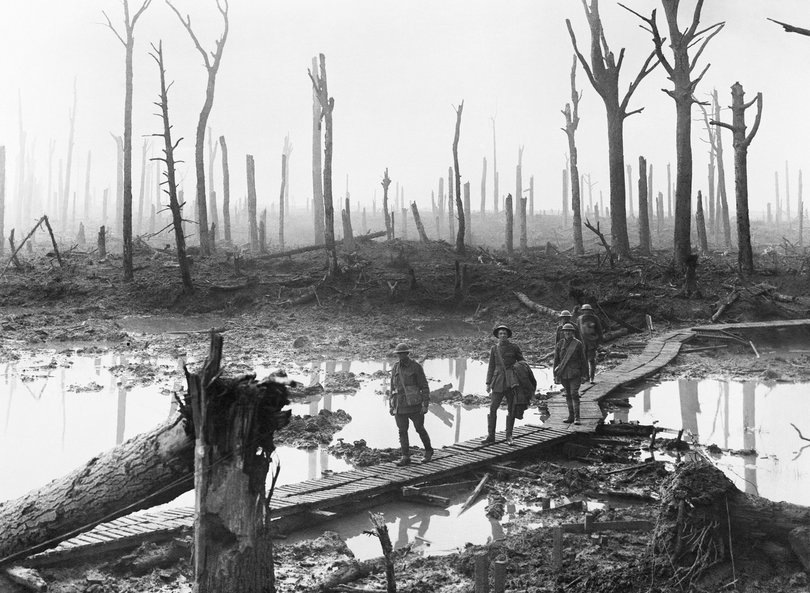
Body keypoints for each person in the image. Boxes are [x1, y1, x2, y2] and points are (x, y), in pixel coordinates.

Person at [389, 343, 433, 465]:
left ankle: (428, 451)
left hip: (414, 405)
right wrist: (391, 405)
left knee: (419, 429)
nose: (400, 356)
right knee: (402, 431)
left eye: (402, 353)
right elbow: (392, 388)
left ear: (407, 354)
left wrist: (425, 405)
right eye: (398, 354)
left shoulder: (416, 367)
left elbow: (424, 386)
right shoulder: (395, 367)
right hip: (399, 405)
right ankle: (405, 456)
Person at [485, 324, 524, 445]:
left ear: (508, 336)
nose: (502, 335)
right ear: (497, 336)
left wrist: (517, 374)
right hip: (497, 382)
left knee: (511, 409)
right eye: (500, 333)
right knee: (492, 408)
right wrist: (488, 383)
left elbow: (522, 363)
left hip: (511, 382)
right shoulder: (494, 349)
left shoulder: (514, 347)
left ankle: (509, 436)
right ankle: (491, 436)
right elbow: (491, 366)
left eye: (505, 334)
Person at [553, 323, 588, 425]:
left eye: (570, 331)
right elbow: (556, 360)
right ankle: (571, 416)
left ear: (573, 332)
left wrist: (584, 375)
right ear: (563, 332)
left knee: (574, 394)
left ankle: (577, 417)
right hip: (563, 373)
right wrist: (555, 375)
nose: (567, 332)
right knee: (568, 394)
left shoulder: (578, 344)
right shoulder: (559, 344)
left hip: (575, 373)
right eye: (565, 331)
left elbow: (583, 360)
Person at [577, 303, 604, 383]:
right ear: (583, 311)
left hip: (592, 342)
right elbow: (578, 330)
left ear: (591, 311)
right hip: (582, 342)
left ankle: (592, 377)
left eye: (588, 311)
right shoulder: (579, 319)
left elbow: (599, 330)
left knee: (591, 360)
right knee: (583, 360)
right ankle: (586, 377)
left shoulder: (595, 318)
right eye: (585, 311)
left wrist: (599, 341)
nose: (586, 312)